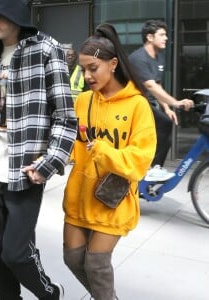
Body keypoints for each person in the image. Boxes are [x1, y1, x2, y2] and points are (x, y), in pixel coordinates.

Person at [0, 0, 77, 299]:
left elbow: (65, 118)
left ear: (14, 13)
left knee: (15, 254)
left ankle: (50, 293)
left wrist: (48, 163)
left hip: (25, 173)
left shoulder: (46, 50)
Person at [62, 23, 156, 300]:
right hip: (79, 195)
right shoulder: (83, 102)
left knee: (96, 265)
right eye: (83, 69)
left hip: (110, 200)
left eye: (94, 68)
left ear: (113, 63)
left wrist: (104, 151)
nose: (87, 75)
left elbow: (140, 160)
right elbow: (74, 144)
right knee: (72, 258)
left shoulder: (137, 105)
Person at [129, 19, 194, 181]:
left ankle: (153, 167)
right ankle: (151, 168)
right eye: (162, 35)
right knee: (163, 124)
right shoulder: (139, 58)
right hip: (130, 104)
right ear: (150, 37)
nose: (166, 38)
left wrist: (166, 108)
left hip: (143, 103)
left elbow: (157, 84)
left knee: (165, 122)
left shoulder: (159, 58)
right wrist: (176, 103)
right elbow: (150, 86)